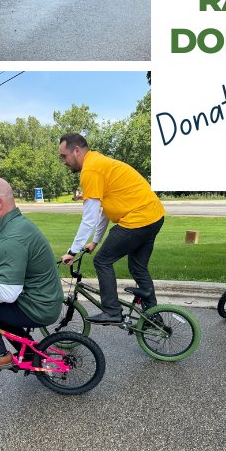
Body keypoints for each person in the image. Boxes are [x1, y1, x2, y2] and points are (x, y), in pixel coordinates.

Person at [58, 133, 166, 324]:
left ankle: (112, 311)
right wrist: (95, 241)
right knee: (138, 268)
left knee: (102, 261)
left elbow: (89, 219)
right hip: (154, 217)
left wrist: (72, 251)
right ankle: (153, 316)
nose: (64, 162)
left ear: (76, 151)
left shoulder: (91, 171)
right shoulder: (99, 162)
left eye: (64, 156)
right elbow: (104, 211)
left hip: (137, 219)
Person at [0, 177, 63, 370]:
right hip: (44, 300)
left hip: (38, 307)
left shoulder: (11, 238)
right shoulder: (18, 224)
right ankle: (30, 352)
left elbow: (7, 293)